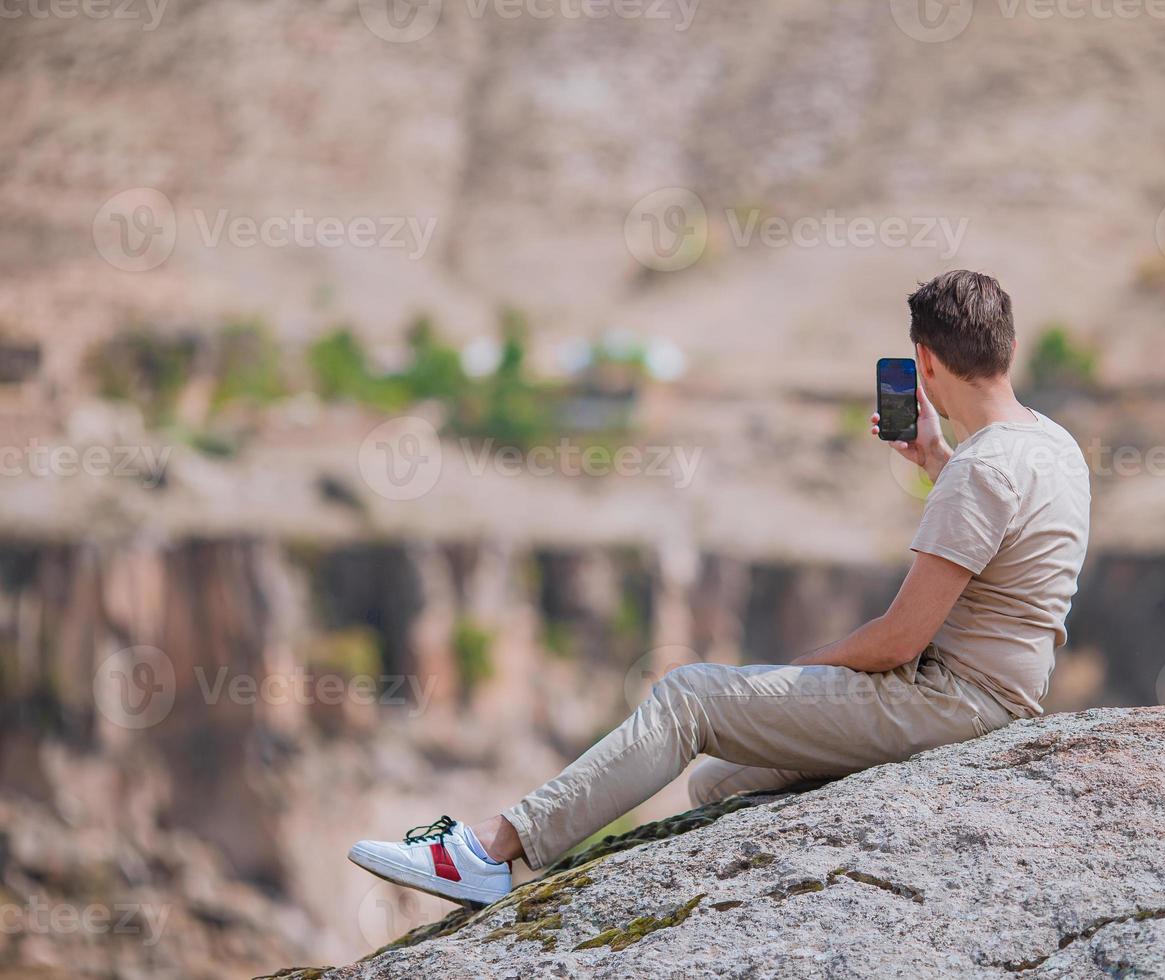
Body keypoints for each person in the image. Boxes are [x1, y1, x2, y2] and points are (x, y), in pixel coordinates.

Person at [347, 270, 1092, 904]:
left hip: (949, 706)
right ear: (1010, 348)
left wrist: (799, 674)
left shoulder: (979, 472)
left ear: (924, 364)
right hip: (999, 700)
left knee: (692, 696)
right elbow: (1002, 550)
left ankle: (488, 852)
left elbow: (901, 639)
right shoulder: (1049, 446)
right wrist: (933, 456)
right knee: (719, 782)